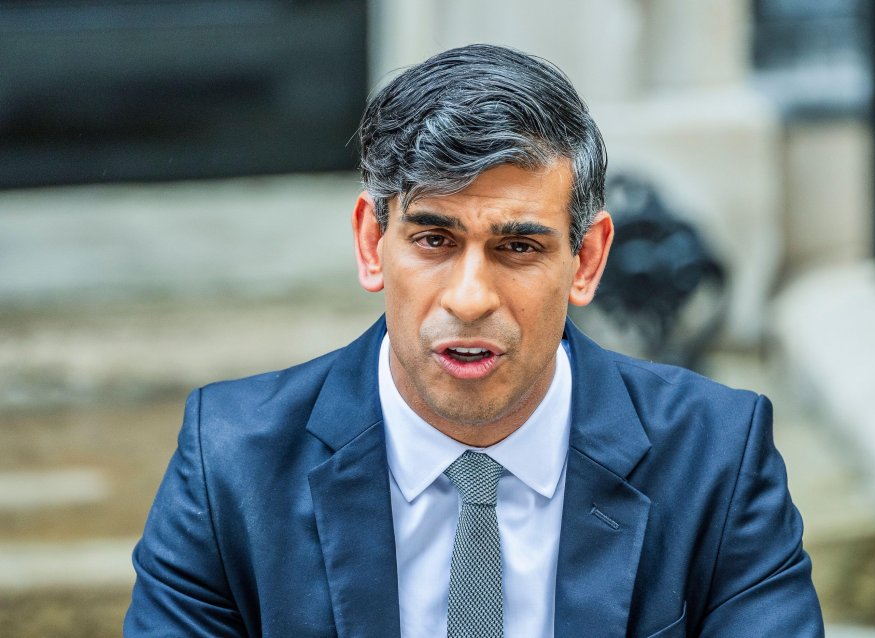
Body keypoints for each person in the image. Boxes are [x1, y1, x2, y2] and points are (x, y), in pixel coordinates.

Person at [124, 44, 824, 637]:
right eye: (434, 239)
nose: (469, 298)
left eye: (518, 246)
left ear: (586, 261)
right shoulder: (230, 467)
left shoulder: (716, 459)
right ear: (373, 243)